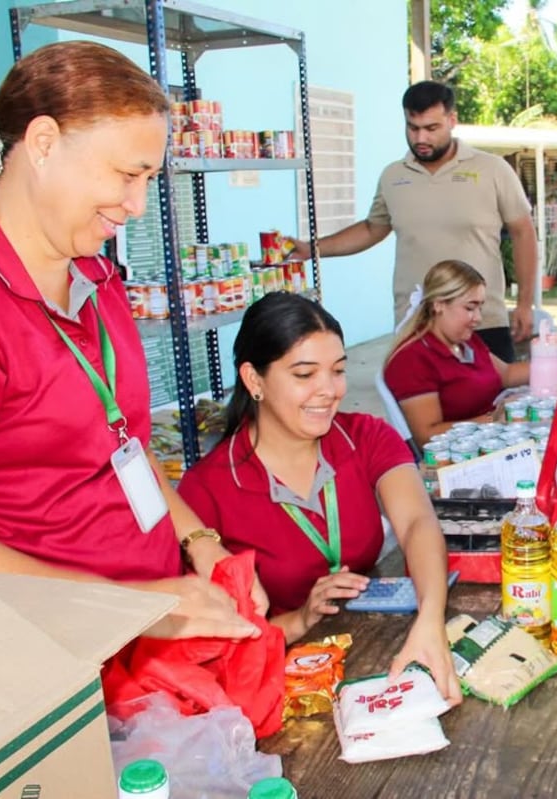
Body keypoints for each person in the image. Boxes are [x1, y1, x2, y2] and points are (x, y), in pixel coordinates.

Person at [0, 41, 264, 642]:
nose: (136, 206)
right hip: (49, 652)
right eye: (125, 174)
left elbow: (123, 443)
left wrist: (198, 542)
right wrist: (130, 607)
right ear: (42, 144)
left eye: (148, 179)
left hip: (148, 621)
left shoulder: (95, 274)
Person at [177, 292, 460, 702]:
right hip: (280, 683)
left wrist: (431, 617)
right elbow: (207, 637)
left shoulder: (365, 437)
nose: (329, 390)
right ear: (254, 380)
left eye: (338, 370)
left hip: (370, 655)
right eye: (305, 374)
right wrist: (298, 619)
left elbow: (417, 522)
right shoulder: (206, 490)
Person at [287, 80, 537, 363]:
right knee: (419, 406)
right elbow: (372, 228)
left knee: (495, 405)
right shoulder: (393, 176)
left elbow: (523, 232)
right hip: (415, 325)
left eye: (431, 128)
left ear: (452, 120)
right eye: (412, 127)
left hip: (481, 322)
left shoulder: (491, 169)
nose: (421, 138)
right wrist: (312, 249)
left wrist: (525, 304)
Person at [383, 259, 531, 448]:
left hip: (490, 440)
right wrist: (493, 418)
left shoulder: (464, 341)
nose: (478, 318)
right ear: (438, 305)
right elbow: (427, 436)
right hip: (461, 454)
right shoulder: (412, 359)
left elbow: (507, 374)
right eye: (470, 308)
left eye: (480, 307)